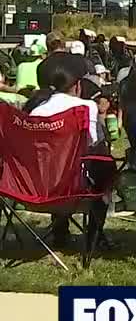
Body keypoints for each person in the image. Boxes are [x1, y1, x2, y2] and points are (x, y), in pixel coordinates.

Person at [24, 52, 113, 247]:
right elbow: (94, 142)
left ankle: (60, 232)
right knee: (103, 164)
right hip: (76, 189)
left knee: (56, 162)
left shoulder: (35, 111)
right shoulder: (86, 107)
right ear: (77, 85)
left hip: (41, 188)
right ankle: (94, 237)